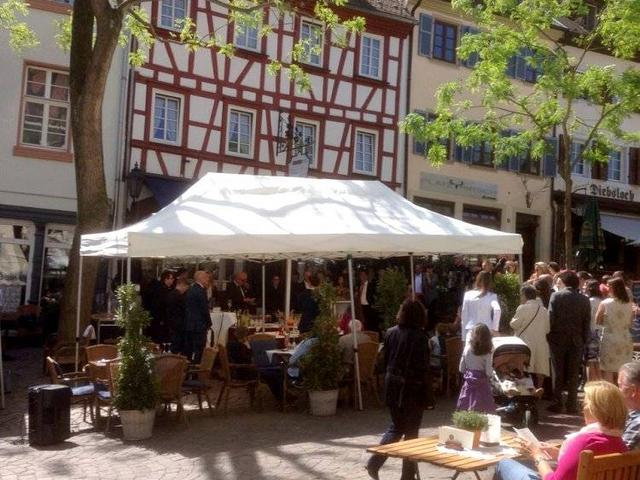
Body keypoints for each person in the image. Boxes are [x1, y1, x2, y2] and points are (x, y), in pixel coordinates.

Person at [494, 381, 628, 480]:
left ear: (594, 410)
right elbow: (583, 463)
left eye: (584, 404)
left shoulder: (582, 441)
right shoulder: (621, 446)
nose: (582, 409)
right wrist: (559, 454)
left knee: (504, 464)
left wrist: (537, 455)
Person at [366, 299, 434, 480]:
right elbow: (422, 367)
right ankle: (407, 476)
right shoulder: (420, 337)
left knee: (397, 426)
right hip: (412, 387)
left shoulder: (390, 333)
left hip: (392, 385)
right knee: (411, 433)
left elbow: (385, 360)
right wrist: (428, 393)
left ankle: (375, 462)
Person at [547, 270, 591, 414]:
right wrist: (585, 340)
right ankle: (572, 404)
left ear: (564, 282)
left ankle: (557, 402)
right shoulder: (584, 299)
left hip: (557, 339)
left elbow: (550, 317)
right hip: (577, 340)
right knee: (573, 373)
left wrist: (549, 335)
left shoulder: (556, 296)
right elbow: (587, 322)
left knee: (558, 371)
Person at [510, 285, 550, 387]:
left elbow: (514, 325)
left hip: (525, 343)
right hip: (541, 343)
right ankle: (539, 389)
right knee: (540, 369)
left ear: (524, 295)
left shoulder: (522, 308)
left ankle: (525, 390)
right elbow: (547, 329)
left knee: (522, 368)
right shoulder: (544, 310)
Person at [596, 277, 633, 384]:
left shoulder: (605, 303)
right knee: (623, 369)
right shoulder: (629, 304)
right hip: (625, 338)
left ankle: (609, 393)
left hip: (609, 339)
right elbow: (630, 323)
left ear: (612, 288)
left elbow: (597, 321)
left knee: (608, 369)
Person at [457, 323, 496, 413]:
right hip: (482, 384)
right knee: (484, 409)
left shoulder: (467, 348)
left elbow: (461, 368)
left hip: (469, 382)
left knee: (466, 407)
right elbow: (489, 372)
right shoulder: (487, 353)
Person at [460, 271, 501, 342]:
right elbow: (497, 310)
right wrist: (495, 329)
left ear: (477, 280)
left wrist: (463, 337)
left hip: (471, 330)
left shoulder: (468, 294)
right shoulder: (492, 296)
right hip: (487, 330)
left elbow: (464, 316)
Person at [184, 270, 212, 363]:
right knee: (199, 349)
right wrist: (209, 323)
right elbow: (204, 309)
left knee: (189, 348)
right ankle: (197, 368)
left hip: (190, 324)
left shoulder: (190, 289)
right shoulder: (201, 291)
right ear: (201, 278)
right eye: (206, 277)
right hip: (199, 325)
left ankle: (188, 367)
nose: (208, 280)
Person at [618, 362, 640, 450]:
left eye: (620, 385)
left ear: (633, 390)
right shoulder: (631, 414)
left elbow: (619, 453)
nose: (617, 390)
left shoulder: (638, 422)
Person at [585, 279, 604, 382]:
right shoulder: (602, 301)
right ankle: (599, 382)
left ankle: (591, 384)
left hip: (592, 332)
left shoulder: (589, 301)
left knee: (590, 361)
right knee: (598, 361)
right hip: (601, 332)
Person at [167, 277, 189, 354]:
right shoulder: (179, 297)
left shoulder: (170, 294)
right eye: (186, 288)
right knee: (177, 345)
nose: (185, 290)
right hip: (179, 324)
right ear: (182, 285)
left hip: (171, 322)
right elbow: (184, 309)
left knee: (174, 343)